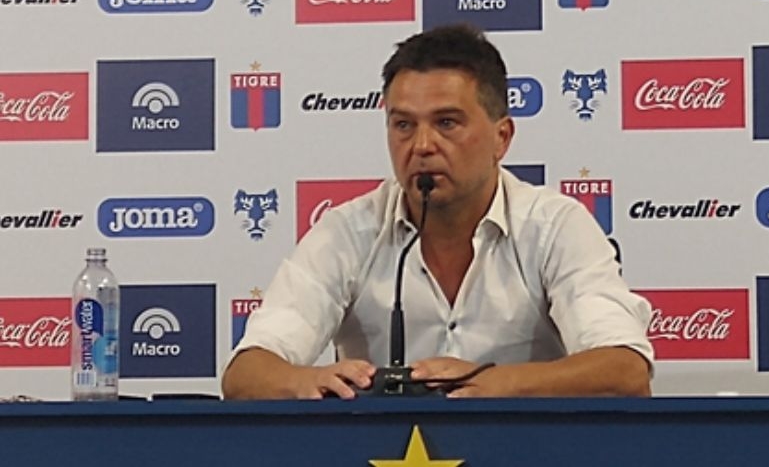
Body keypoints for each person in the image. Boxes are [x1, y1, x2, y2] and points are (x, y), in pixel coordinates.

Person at [222, 23, 654, 399]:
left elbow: (625, 370)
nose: (422, 145)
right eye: (403, 125)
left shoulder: (554, 226)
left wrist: (498, 383)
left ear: (502, 138)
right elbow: (245, 374)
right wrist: (304, 381)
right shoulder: (348, 232)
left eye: (447, 123)